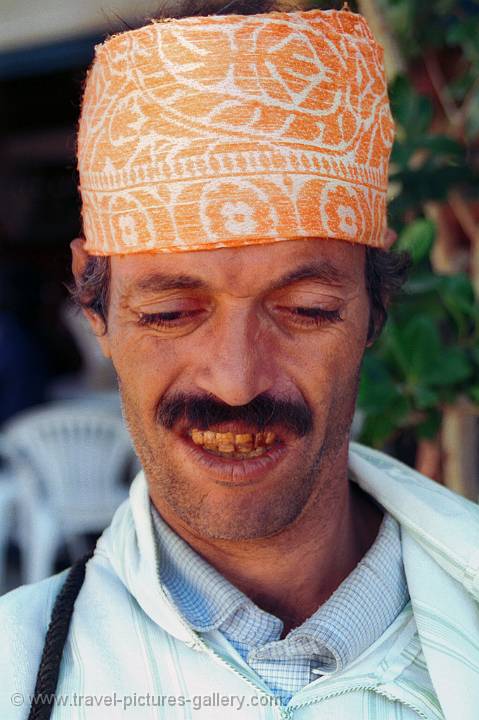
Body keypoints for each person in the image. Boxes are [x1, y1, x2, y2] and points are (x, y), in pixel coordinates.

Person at [2, 2, 479, 718]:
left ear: (374, 307)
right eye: (168, 313)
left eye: (305, 310)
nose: (234, 379)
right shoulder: (17, 665)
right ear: (96, 309)